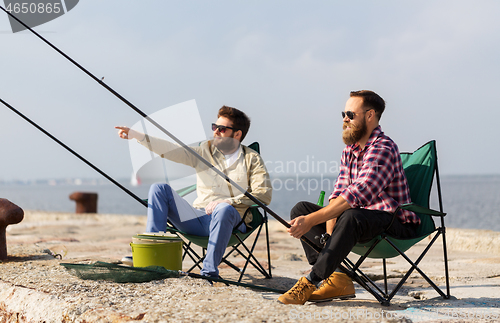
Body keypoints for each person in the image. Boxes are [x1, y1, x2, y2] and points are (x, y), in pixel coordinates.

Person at [278, 90, 420, 305]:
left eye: (351, 114)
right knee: (302, 210)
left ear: (370, 115)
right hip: (360, 221)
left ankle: (311, 280)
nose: (345, 118)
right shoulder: (350, 151)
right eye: (343, 113)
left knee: (350, 215)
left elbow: (359, 193)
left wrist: (311, 222)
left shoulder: (383, 147)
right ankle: (336, 278)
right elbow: (338, 195)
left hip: (395, 223)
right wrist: (327, 232)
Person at [115, 106, 272, 277]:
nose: (216, 132)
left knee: (224, 209)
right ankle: (152, 255)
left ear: (237, 134)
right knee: (159, 188)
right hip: (197, 218)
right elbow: (173, 151)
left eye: (222, 129)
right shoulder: (206, 150)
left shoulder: (252, 159)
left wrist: (228, 201)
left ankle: (209, 272)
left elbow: (264, 194)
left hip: (231, 221)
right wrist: (138, 136)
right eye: (215, 127)